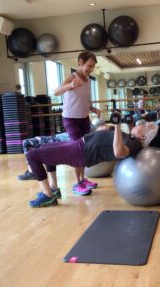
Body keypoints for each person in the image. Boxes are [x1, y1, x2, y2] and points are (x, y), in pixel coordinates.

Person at [26, 121, 160, 208]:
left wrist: (117, 126)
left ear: (143, 137)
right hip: (80, 146)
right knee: (44, 148)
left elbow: (118, 152)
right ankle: (53, 188)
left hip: (80, 152)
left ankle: (48, 196)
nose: (140, 124)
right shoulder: (132, 139)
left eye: (144, 126)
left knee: (32, 156)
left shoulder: (134, 144)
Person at [54, 50, 100, 196]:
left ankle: (82, 179)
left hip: (84, 118)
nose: (90, 69)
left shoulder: (87, 80)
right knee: (77, 149)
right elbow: (56, 92)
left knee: (84, 149)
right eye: (89, 66)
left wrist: (92, 108)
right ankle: (77, 183)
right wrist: (71, 85)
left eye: (93, 67)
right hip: (71, 119)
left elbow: (85, 98)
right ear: (80, 62)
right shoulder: (71, 77)